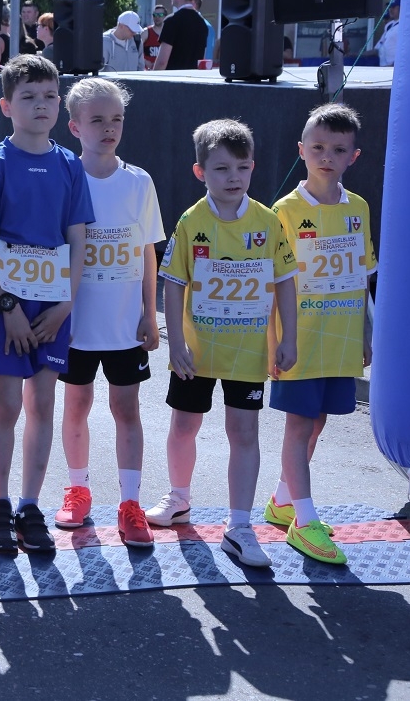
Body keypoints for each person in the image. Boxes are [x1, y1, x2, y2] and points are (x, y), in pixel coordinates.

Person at [146, 120, 298, 570]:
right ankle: (179, 498)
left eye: (242, 167)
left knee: (244, 434)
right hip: (197, 353)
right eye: (221, 169)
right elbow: (173, 283)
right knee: (184, 427)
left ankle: (240, 526)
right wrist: (176, 343)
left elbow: (285, 283)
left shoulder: (267, 222)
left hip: (248, 355)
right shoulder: (191, 221)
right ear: (200, 172)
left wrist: (287, 338)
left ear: (253, 167)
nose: (234, 177)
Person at [0, 54, 94, 553]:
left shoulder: (70, 164)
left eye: (48, 96)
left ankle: (29, 505)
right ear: (6, 106)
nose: (40, 105)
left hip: (53, 305)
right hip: (7, 304)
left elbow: (78, 238)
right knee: (6, 405)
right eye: (28, 97)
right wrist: (8, 306)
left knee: (43, 403)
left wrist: (65, 304)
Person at [264, 103, 375, 565]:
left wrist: (366, 332)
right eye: (318, 147)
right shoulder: (284, 211)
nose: (327, 156)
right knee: (298, 425)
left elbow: (362, 275)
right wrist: (275, 342)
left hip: (341, 340)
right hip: (299, 341)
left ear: (354, 156)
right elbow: (272, 281)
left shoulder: (358, 208)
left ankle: (283, 501)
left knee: (318, 420)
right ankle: (305, 522)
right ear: (302, 150)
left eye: (338, 149)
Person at [56, 78, 164, 547]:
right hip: (75, 325)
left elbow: (147, 252)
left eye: (116, 119)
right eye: (97, 120)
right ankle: (77, 490)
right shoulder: (65, 178)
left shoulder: (139, 181)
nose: (108, 128)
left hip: (125, 327)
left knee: (126, 410)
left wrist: (149, 313)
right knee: (76, 406)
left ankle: (130, 503)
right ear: (74, 127)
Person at [154, 0, 209, 70]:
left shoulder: (171, 21)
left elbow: (162, 62)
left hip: (173, 78)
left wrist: (153, 78)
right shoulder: (202, 23)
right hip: (193, 78)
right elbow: (201, 59)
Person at [375, 0, 400, 67]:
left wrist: (394, 65)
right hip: (383, 66)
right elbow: (379, 47)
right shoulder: (389, 25)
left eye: (393, 7)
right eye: (389, 7)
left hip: (394, 67)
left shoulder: (405, 25)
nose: (390, 9)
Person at [142, 5, 166, 70]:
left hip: (164, 71)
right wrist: (146, 62)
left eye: (160, 15)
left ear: (165, 16)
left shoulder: (169, 33)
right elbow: (135, 51)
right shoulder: (146, 32)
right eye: (154, 15)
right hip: (148, 71)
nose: (157, 17)